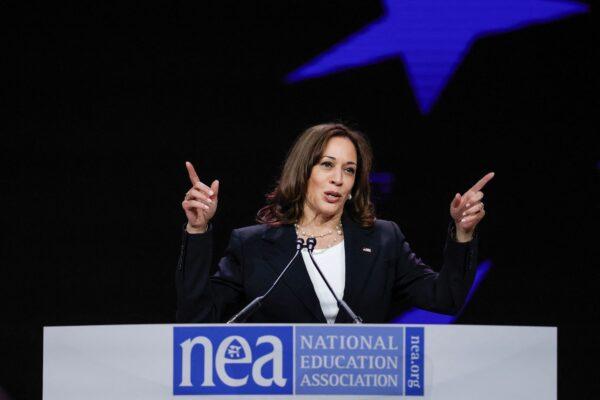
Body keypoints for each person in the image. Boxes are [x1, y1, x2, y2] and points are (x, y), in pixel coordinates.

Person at [176, 123, 493, 323]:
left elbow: (445, 299)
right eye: (327, 165)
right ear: (304, 172)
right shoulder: (253, 246)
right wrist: (198, 230)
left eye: (350, 170)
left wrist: (463, 234)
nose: (338, 179)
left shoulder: (383, 240)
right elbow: (199, 317)